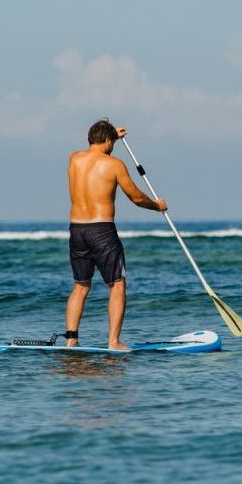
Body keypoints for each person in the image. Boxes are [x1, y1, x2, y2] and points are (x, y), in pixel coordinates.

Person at [64, 119, 167, 350]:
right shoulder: (114, 164)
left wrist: (112, 137)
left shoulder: (74, 159)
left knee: (81, 286)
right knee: (117, 284)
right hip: (102, 230)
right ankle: (114, 342)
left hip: (77, 229)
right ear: (109, 140)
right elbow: (136, 197)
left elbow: (96, 152)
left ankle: (71, 339)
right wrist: (156, 206)